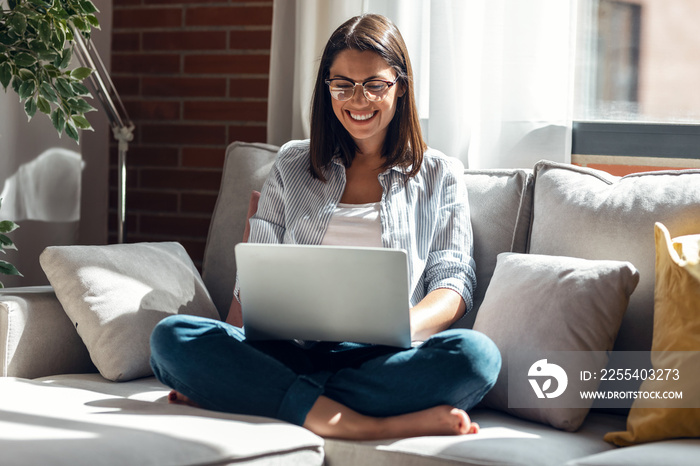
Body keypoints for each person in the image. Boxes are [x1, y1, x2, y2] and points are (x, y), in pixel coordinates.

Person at [150, 13, 501, 440]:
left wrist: (403, 327)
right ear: (327, 88)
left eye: (375, 84)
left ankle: (262, 398)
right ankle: (357, 422)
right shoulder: (293, 164)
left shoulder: (439, 173)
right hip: (288, 351)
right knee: (171, 338)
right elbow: (253, 282)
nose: (358, 100)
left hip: (382, 359)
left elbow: (453, 284)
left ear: (401, 86)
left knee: (477, 357)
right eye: (343, 85)